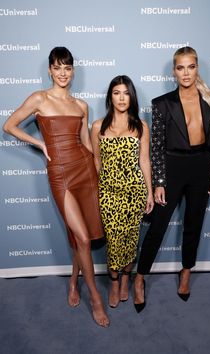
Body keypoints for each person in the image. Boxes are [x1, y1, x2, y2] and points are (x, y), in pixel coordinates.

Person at [3, 46, 109, 327]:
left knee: (78, 236)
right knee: (83, 238)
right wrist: (40, 143)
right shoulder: (39, 98)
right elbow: (9, 125)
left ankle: (74, 281)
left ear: (73, 71)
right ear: (50, 70)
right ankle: (96, 299)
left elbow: (87, 144)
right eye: (58, 68)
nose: (63, 73)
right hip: (60, 173)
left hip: (85, 171)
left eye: (68, 68)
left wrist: (98, 173)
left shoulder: (81, 106)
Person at [134, 46, 210, 312]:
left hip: (202, 166)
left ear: (197, 68)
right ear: (174, 71)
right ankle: (140, 278)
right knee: (158, 227)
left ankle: (186, 272)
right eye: (180, 67)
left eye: (191, 67)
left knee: (193, 224)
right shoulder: (162, 104)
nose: (186, 73)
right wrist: (159, 181)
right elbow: (157, 147)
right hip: (173, 168)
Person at [91, 75, 154, 308]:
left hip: (134, 192)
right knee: (113, 240)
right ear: (110, 97)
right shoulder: (98, 126)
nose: (121, 98)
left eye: (126, 93)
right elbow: (96, 160)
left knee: (130, 240)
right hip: (108, 194)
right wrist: (101, 190)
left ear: (132, 96)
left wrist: (148, 193)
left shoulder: (140, 126)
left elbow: (144, 162)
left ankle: (126, 278)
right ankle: (114, 281)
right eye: (117, 92)